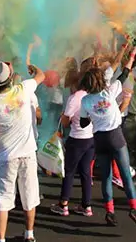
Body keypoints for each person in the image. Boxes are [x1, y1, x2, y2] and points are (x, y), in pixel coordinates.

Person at [79, 46, 136, 231]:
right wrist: (132, 53)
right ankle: (135, 208)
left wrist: (93, 116)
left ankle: (110, 212)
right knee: (125, 175)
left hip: (99, 140)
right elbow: (125, 71)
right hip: (116, 136)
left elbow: (84, 123)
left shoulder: (85, 101)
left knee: (106, 177)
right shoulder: (110, 91)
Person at [0, 61, 45, 242]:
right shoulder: (23, 89)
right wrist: (34, 67)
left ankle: (0, 239)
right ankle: (29, 234)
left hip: (6, 156)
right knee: (29, 195)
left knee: (3, 199)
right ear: (10, 78)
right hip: (27, 154)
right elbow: (41, 75)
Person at [50, 71, 95, 217]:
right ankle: (86, 205)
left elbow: (65, 121)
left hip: (76, 138)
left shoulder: (74, 98)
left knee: (69, 172)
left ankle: (63, 204)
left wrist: (63, 116)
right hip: (90, 138)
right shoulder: (91, 95)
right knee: (86, 172)